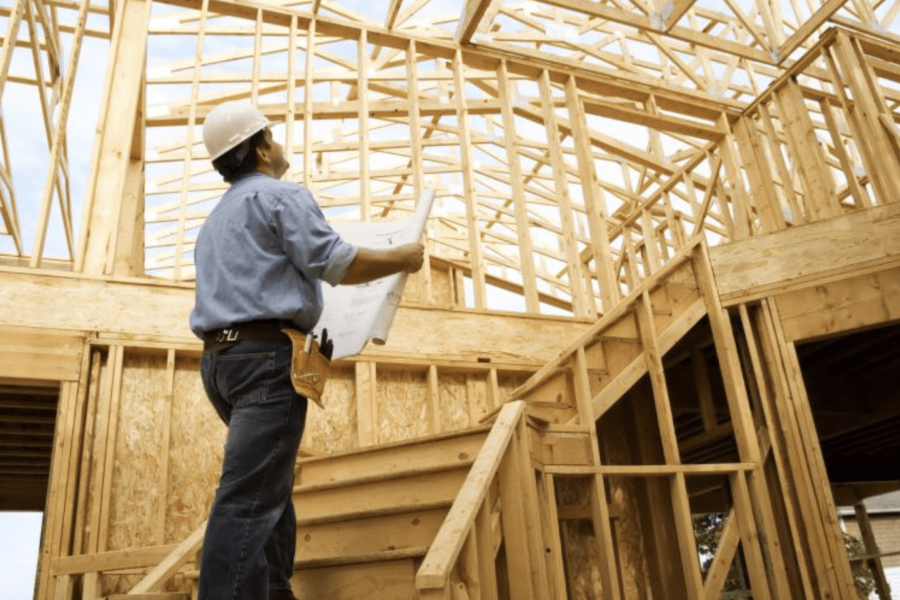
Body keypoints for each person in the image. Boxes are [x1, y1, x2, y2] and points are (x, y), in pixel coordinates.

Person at [189, 103, 424, 600]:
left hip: (220, 365)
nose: (278, 144)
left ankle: (274, 591)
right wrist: (404, 255)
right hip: (265, 361)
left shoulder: (215, 220)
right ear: (259, 148)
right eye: (270, 136)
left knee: (266, 484)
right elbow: (337, 263)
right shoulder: (281, 196)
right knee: (246, 497)